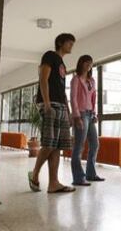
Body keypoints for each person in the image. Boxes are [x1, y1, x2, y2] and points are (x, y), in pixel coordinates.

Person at [28, 33, 76, 194]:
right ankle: (34, 173)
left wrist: (68, 112)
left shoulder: (62, 64)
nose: (71, 46)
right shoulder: (50, 56)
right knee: (49, 143)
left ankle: (53, 183)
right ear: (60, 43)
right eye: (69, 43)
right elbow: (43, 78)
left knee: (58, 146)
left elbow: (62, 91)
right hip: (50, 104)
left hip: (61, 106)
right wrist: (47, 102)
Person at [70, 55, 105, 185]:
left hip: (90, 114)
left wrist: (95, 113)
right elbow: (73, 99)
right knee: (79, 147)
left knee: (95, 144)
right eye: (86, 63)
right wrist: (76, 116)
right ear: (81, 64)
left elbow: (93, 98)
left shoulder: (92, 81)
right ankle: (78, 178)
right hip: (81, 114)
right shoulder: (75, 80)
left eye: (90, 64)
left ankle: (91, 174)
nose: (89, 66)